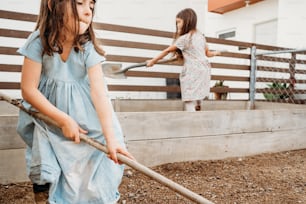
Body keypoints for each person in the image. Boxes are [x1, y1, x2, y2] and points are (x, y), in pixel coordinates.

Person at [16, 0, 134, 203]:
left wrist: (111, 140)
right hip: (49, 117)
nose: (88, 10)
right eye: (80, 3)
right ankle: (44, 194)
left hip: (86, 120)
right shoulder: (38, 42)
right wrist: (63, 120)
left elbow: (100, 94)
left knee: (93, 169)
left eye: (91, 5)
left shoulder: (88, 48)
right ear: (53, 5)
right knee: (46, 160)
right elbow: (28, 89)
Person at [147, 8, 221, 111]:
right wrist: (216, 53)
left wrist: (152, 61)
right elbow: (207, 53)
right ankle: (198, 109)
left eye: (178, 22)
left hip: (193, 70)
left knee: (189, 97)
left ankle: (191, 115)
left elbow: (167, 51)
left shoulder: (185, 38)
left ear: (187, 21)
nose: (177, 25)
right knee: (198, 95)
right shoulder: (201, 37)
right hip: (205, 69)